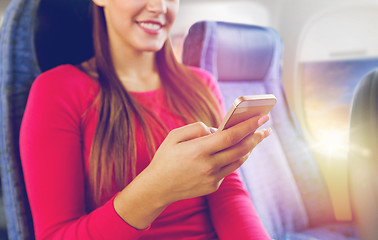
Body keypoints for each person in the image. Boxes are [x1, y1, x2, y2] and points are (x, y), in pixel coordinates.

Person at [20, 0, 272, 239]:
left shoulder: (202, 85)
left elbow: (228, 195)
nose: (159, 7)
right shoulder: (57, 91)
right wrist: (157, 187)